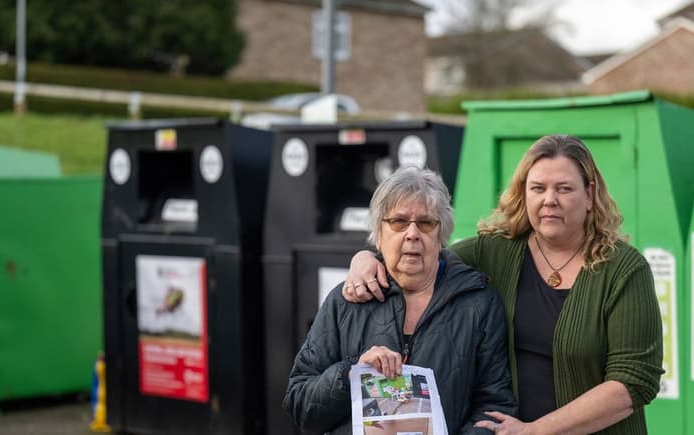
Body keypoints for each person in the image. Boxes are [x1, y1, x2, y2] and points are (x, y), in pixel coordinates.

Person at [343, 135, 664, 434]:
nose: (550, 200)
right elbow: (419, 255)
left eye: (564, 189)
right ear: (524, 194)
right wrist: (366, 258)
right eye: (538, 188)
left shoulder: (624, 269)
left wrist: (535, 430)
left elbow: (633, 382)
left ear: (590, 195)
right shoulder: (493, 251)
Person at [283, 166, 516, 434]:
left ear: (441, 237)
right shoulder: (346, 300)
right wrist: (351, 374)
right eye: (399, 222)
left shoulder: (478, 304)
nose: (413, 234)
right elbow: (300, 405)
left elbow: (493, 406)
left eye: (426, 223)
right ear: (379, 236)